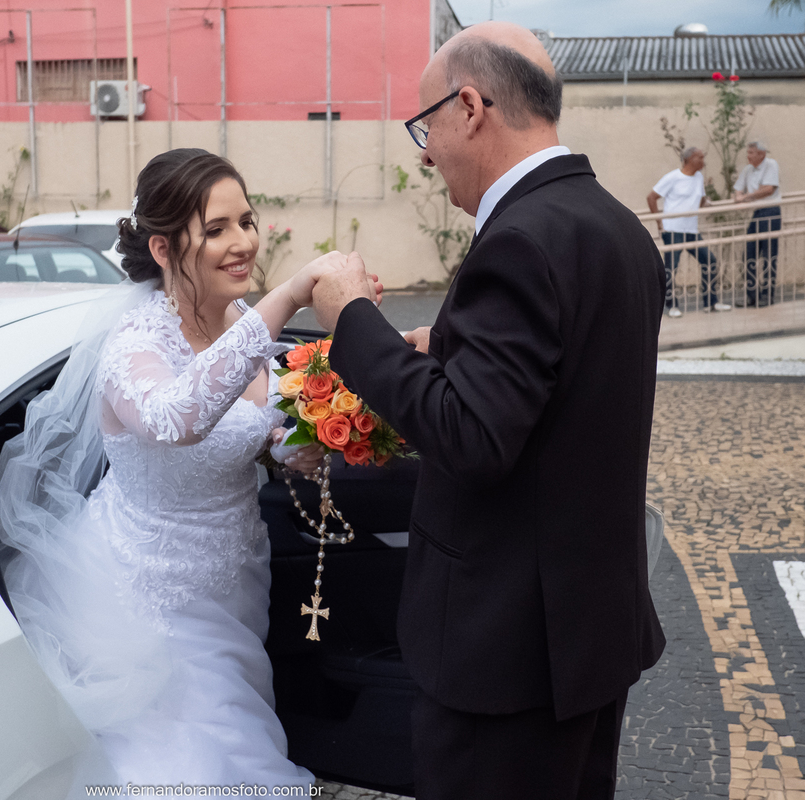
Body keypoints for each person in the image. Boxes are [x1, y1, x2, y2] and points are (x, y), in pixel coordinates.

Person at [309, 23, 666, 800]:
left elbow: (471, 438)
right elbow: (569, 389)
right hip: (588, 635)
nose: (424, 153)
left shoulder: (520, 241)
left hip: (507, 653)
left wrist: (352, 324)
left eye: (425, 126)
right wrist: (453, 345)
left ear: (470, 106)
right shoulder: (615, 229)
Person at [0, 148, 381, 795]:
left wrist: (299, 442)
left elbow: (250, 434)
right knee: (195, 763)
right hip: (148, 605)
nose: (243, 243)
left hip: (235, 584)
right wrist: (288, 295)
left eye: (247, 221)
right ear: (166, 249)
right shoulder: (136, 345)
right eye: (218, 229)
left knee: (238, 738)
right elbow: (177, 420)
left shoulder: (237, 325)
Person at [647, 147, 729, 315]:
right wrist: (659, 223)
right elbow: (651, 197)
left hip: (691, 231)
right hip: (673, 230)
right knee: (671, 268)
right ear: (689, 159)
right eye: (700, 157)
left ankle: (710, 303)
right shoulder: (672, 178)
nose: (703, 160)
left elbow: (699, 200)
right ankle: (672, 306)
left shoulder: (699, 177)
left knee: (709, 261)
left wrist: (707, 202)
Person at [733, 140, 782, 307]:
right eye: (748, 152)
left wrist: (746, 197)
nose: (748, 156)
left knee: (769, 255)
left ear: (761, 154)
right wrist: (743, 196)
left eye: (751, 153)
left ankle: (767, 296)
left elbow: (769, 189)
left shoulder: (770, 165)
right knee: (748, 255)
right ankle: (752, 296)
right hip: (757, 213)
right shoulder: (748, 170)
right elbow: (738, 189)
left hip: (770, 212)